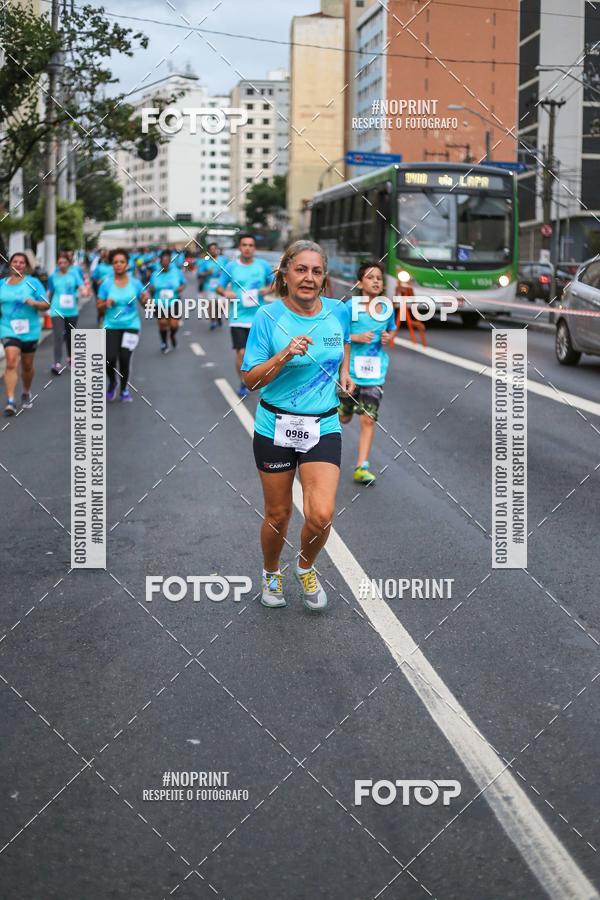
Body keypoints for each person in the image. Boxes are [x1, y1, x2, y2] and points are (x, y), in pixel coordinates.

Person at [241, 240, 354, 611]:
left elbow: (344, 343)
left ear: (324, 279)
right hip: (276, 424)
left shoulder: (338, 310)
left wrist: (345, 372)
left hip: (323, 424)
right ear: (286, 275)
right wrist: (284, 354)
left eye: (316, 271)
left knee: (321, 514)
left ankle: (305, 567)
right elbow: (251, 381)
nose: (309, 278)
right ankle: (271, 572)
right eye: (301, 270)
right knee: (279, 513)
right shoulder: (267, 318)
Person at [338, 262, 397, 485]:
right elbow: (335, 335)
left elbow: (391, 329)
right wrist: (356, 337)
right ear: (360, 282)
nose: (375, 281)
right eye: (370, 277)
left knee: (368, 420)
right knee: (343, 418)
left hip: (375, 374)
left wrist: (388, 338)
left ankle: (362, 466)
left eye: (379, 278)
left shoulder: (387, 308)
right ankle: (343, 409)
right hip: (349, 373)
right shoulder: (349, 307)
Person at [217, 233, 273, 398]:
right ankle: (243, 381)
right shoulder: (231, 267)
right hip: (238, 317)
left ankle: (261, 380)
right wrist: (226, 292)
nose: (247, 248)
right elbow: (219, 287)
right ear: (239, 248)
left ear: (254, 248)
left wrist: (267, 289)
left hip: (259, 317)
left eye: (250, 245)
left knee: (260, 355)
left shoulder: (263, 266)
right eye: (244, 245)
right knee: (241, 353)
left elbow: (275, 284)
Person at [0, 251, 49, 416]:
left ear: (26, 266)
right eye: (15, 261)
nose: (18, 264)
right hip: (8, 327)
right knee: (11, 362)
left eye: (22, 262)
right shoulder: (1, 284)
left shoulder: (33, 283)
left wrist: (32, 302)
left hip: (30, 329)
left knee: (27, 365)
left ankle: (26, 391)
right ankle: (10, 401)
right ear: (10, 264)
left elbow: (46, 304)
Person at [97, 248, 148, 402]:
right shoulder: (106, 284)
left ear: (127, 264)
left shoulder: (136, 283)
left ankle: (124, 389)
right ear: (112, 265)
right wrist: (106, 303)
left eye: (121, 262)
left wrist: (146, 301)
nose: (118, 265)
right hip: (111, 325)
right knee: (109, 358)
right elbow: (99, 306)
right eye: (115, 262)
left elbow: (145, 304)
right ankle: (113, 382)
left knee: (125, 358)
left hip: (131, 325)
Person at [48, 252, 83, 374]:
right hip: (57, 309)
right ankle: (57, 363)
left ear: (68, 264)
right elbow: (50, 292)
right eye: (60, 263)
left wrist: (80, 294)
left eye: (64, 262)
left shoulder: (74, 275)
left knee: (70, 335)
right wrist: (47, 304)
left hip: (72, 310)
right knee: (58, 336)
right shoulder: (53, 276)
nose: (62, 265)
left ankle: (71, 358)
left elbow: (82, 288)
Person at [149, 249, 186, 352]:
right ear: (160, 262)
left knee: (174, 324)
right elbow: (151, 287)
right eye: (163, 261)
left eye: (167, 261)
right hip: (159, 302)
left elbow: (184, 283)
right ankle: (164, 342)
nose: (165, 262)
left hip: (173, 301)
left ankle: (172, 335)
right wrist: (151, 290)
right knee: (163, 323)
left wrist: (181, 288)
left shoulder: (177, 272)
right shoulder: (155, 274)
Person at [197, 242, 227, 331]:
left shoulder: (224, 260)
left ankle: (218, 316)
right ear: (209, 251)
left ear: (217, 250)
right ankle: (213, 321)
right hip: (209, 286)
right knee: (211, 306)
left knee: (222, 307)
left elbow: (230, 270)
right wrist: (207, 273)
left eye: (215, 249)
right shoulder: (205, 262)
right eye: (211, 249)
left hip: (221, 286)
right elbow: (200, 274)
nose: (213, 251)